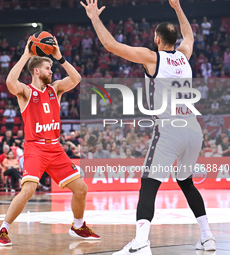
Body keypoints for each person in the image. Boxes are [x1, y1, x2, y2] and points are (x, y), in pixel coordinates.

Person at [81, 0, 215, 254]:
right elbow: (190, 35)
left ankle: (141, 242)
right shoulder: (185, 55)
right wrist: (177, 7)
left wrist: (93, 18)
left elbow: (111, 46)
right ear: (175, 39)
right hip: (193, 129)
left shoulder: (152, 58)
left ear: (157, 39)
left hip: (169, 128)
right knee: (186, 182)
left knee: (149, 183)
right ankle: (207, 237)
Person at [0, 36, 100, 246]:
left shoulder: (56, 89)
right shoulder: (26, 92)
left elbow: (76, 78)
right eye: (47, 67)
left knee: (81, 189)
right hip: (35, 148)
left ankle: (78, 226)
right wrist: (26, 55)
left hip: (56, 149)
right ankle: (2, 230)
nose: (51, 71)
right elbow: (9, 82)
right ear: (36, 71)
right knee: (29, 189)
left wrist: (59, 58)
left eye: (51, 67)